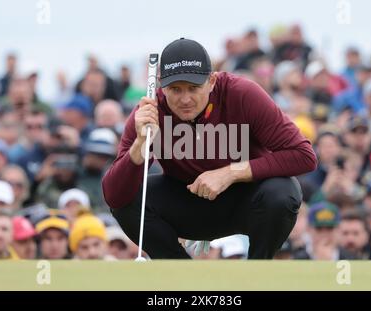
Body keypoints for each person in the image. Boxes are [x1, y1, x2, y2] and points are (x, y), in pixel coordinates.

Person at [103, 38, 317, 259]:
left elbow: (303, 155)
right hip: (187, 201)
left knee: (282, 191)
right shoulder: (150, 111)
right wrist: (139, 145)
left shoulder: (242, 94)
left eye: (194, 88)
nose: (185, 99)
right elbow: (114, 197)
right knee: (129, 200)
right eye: (175, 89)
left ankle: (257, 272)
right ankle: (181, 275)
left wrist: (230, 173)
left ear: (212, 81)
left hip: (247, 201)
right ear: (161, 85)